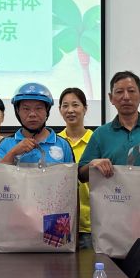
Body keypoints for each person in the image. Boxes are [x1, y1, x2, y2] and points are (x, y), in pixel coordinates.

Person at [78, 71, 140, 183]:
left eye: (131, 91)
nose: (126, 97)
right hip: (113, 194)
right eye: (119, 92)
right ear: (111, 98)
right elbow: (81, 175)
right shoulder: (100, 133)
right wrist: (92, 165)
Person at [0, 83, 74, 165]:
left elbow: (71, 173)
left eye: (38, 108)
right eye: (26, 109)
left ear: (47, 111)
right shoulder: (5, 143)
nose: (32, 114)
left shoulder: (63, 144)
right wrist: (13, 153)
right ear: (17, 111)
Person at [57, 87, 94, 249]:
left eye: (75, 105)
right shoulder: (55, 142)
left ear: (85, 108)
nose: (70, 110)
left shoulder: (96, 140)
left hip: (90, 224)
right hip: (60, 223)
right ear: (59, 110)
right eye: (65, 106)